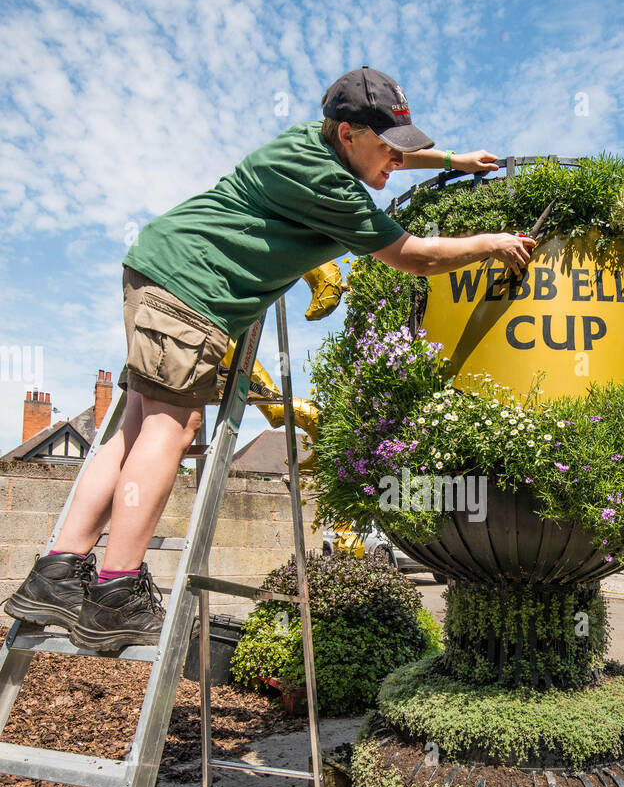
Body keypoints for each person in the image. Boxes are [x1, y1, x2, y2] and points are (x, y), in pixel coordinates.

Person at [5, 66, 535, 652]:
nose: (393, 161)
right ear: (348, 135)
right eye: (386, 148)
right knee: (169, 430)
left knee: (132, 430)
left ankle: (57, 572)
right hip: (191, 292)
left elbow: (387, 158)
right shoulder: (331, 186)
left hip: (163, 274)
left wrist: (450, 160)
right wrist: (493, 244)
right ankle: (115, 592)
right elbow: (416, 257)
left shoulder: (318, 145)